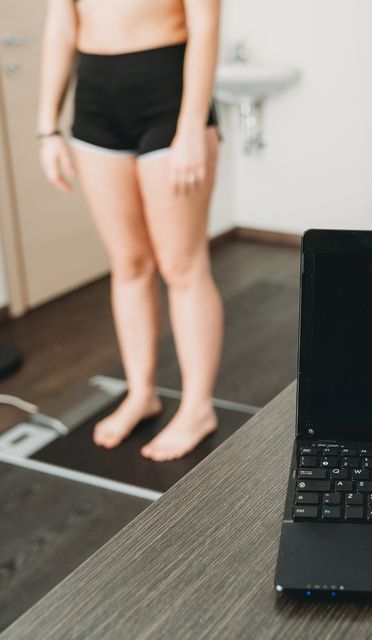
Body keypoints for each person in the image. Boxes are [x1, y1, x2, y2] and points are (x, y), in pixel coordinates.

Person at [37, 0, 224, 461]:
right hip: (96, 98)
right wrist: (47, 129)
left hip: (169, 95)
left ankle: (198, 408)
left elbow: (205, 25)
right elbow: (61, 25)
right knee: (128, 263)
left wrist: (191, 127)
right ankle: (142, 393)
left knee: (182, 267)